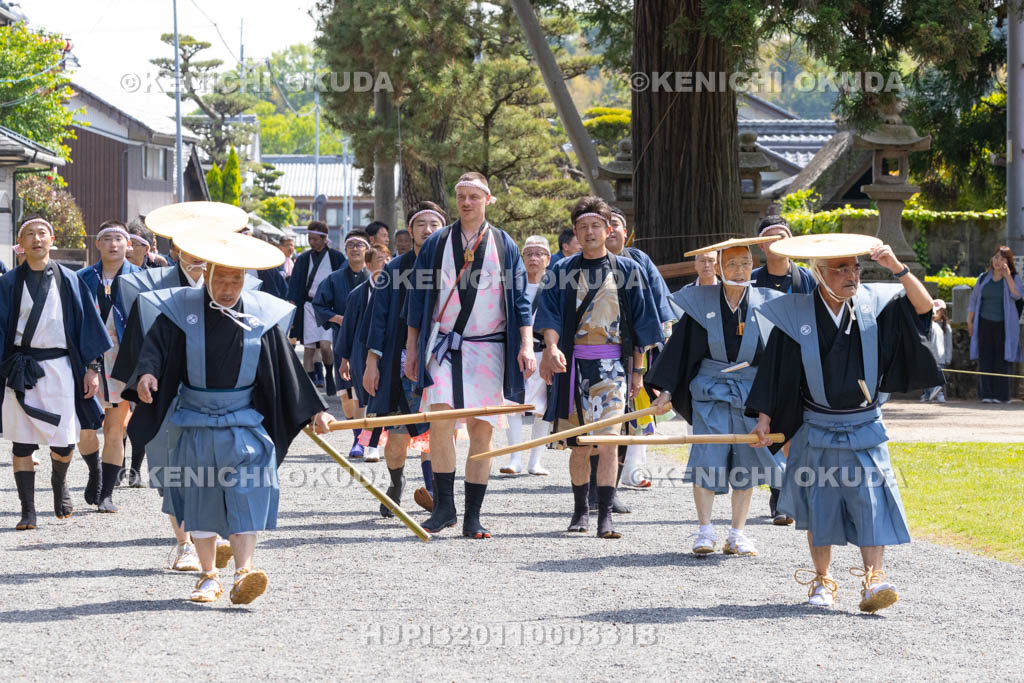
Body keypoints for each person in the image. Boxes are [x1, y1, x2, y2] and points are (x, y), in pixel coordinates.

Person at [124, 229, 333, 604]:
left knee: (248, 493)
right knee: (200, 497)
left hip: (244, 424)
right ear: (206, 275)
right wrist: (147, 374)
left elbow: (288, 371)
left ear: (245, 280)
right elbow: (154, 349)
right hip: (196, 421)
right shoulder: (179, 310)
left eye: (235, 279)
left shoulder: (260, 315)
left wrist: (315, 409)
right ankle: (208, 576)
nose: (227, 287)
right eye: (220, 278)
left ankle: (244, 572)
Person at [748, 234, 942, 613]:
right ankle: (823, 581)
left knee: (871, 503)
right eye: (842, 269)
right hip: (816, 425)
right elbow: (776, 371)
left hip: (864, 423)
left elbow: (922, 310)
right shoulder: (796, 313)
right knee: (819, 507)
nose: (852, 274)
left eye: (855, 267)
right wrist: (764, 418)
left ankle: (874, 580)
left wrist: (897, 268)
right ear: (820, 273)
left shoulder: (874, 305)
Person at [113, 202, 254, 572]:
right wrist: (144, 376)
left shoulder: (241, 284)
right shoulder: (149, 287)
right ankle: (184, 544)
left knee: (225, 470)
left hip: (220, 401)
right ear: (175, 248)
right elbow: (141, 344)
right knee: (173, 473)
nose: (200, 250)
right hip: (168, 399)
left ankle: (214, 534)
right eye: (191, 243)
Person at [405, 173, 535, 538]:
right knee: (441, 423)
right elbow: (417, 302)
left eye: (474, 197)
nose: (466, 203)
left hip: (489, 347)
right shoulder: (436, 243)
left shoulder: (504, 244)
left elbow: (520, 302)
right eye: (461, 196)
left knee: (482, 429)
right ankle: (444, 507)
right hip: (443, 346)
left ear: (488, 200)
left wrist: (526, 345)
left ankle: (473, 514)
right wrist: (412, 349)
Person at [649, 236, 785, 556]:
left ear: (754, 266)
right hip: (710, 390)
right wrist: (666, 391)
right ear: (720, 268)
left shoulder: (768, 302)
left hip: (751, 392)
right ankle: (704, 531)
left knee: (746, 463)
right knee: (707, 460)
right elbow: (680, 352)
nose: (740, 270)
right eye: (732, 264)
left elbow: (781, 357)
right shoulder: (702, 304)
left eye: (746, 264)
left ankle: (737, 533)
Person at [535, 196, 663, 539]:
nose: (590, 232)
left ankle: (606, 514)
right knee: (579, 444)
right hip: (573, 365)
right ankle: (580, 510)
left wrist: (638, 372)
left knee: (608, 441)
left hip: (613, 369)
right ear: (575, 232)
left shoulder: (628, 270)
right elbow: (547, 314)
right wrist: (550, 348)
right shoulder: (561, 270)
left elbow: (642, 324)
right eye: (583, 227)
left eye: (596, 226)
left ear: (608, 230)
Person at [1, 216, 111, 531]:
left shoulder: (71, 279)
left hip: (61, 367)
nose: (37, 239)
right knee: (21, 444)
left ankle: (59, 482)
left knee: (63, 442)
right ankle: (28, 511)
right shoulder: (8, 283)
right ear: (20, 244)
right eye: (29, 234)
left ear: (52, 239)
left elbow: (89, 324)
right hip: (21, 368)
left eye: (42, 233)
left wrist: (92, 368)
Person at [364, 201, 444, 515]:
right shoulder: (394, 269)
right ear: (409, 231)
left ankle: (440, 494)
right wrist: (372, 362)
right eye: (420, 224)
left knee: (440, 430)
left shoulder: (452, 266)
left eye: (433, 224)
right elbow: (378, 319)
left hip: (442, 359)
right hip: (399, 361)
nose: (427, 230)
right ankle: (396, 482)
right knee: (397, 435)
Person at [606, 207, 678, 497]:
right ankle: (602, 477)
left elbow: (660, 301)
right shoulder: (586, 263)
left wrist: (661, 338)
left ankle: (634, 470)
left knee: (639, 407)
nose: (610, 230)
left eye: (616, 224)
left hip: (640, 346)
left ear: (626, 232)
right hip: (600, 346)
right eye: (605, 224)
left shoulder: (639, 259)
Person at [75, 221, 141, 511]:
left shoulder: (140, 278)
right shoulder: (80, 278)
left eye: (119, 239)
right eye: (107, 239)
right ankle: (95, 473)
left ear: (128, 245)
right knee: (86, 427)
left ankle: (106, 494)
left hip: (122, 359)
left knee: (115, 428)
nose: (113, 244)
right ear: (98, 244)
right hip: (88, 360)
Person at [312, 230, 372, 456]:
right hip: (343, 341)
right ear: (345, 250)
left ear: (367, 249)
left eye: (360, 244)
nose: (355, 248)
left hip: (370, 342)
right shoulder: (334, 279)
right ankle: (357, 437)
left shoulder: (376, 277)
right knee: (345, 393)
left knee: (366, 393)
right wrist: (339, 318)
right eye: (351, 245)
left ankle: (366, 440)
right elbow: (319, 305)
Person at [499, 235, 554, 476]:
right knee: (512, 404)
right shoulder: (511, 285)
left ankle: (536, 460)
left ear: (548, 259)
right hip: (516, 351)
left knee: (543, 407)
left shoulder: (555, 288)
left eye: (539, 253)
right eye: (529, 253)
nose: (534, 258)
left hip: (544, 352)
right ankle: (514, 459)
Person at [335, 244, 388, 467]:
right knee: (361, 399)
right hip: (361, 351)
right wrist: (344, 359)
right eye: (379, 260)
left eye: (387, 259)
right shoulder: (358, 294)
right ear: (368, 265)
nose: (385, 264)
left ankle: (374, 443)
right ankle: (361, 440)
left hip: (388, 351)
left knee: (380, 399)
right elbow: (347, 328)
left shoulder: (396, 289)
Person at [286, 221, 345, 391]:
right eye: (310, 239)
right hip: (308, 306)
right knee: (309, 348)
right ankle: (309, 386)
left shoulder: (336, 257)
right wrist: (292, 302)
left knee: (326, 347)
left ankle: (329, 373)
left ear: (324, 238)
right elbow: (296, 283)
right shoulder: (304, 258)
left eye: (316, 239)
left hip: (328, 307)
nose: (312, 242)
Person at [967, 246, 1023, 403]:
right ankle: (987, 394)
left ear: (1008, 262)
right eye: (996, 257)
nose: (998, 261)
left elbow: (1017, 295)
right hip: (984, 323)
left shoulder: (1013, 277)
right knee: (985, 358)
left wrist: (1008, 277)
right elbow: (974, 300)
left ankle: (1002, 395)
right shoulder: (983, 278)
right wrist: (969, 320)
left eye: (1003, 258)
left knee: (1002, 359)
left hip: (1004, 325)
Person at [750, 216, 816, 294]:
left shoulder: (808, 278)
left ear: (790, 241)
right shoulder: (751, 279)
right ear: (761, 245)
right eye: (770, 237)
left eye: (781, 236)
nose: (776, 241)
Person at [921, 300, 952, 403]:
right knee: (926, 375)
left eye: (938, 311)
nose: (935, 314)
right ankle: (927, 394)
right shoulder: (929, 325)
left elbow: (948, 344)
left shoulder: (946, 327)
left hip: (940, 357)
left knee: (939, 377)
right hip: (929, 356)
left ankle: (939, 394)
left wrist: (948, 357)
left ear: (942, 312)